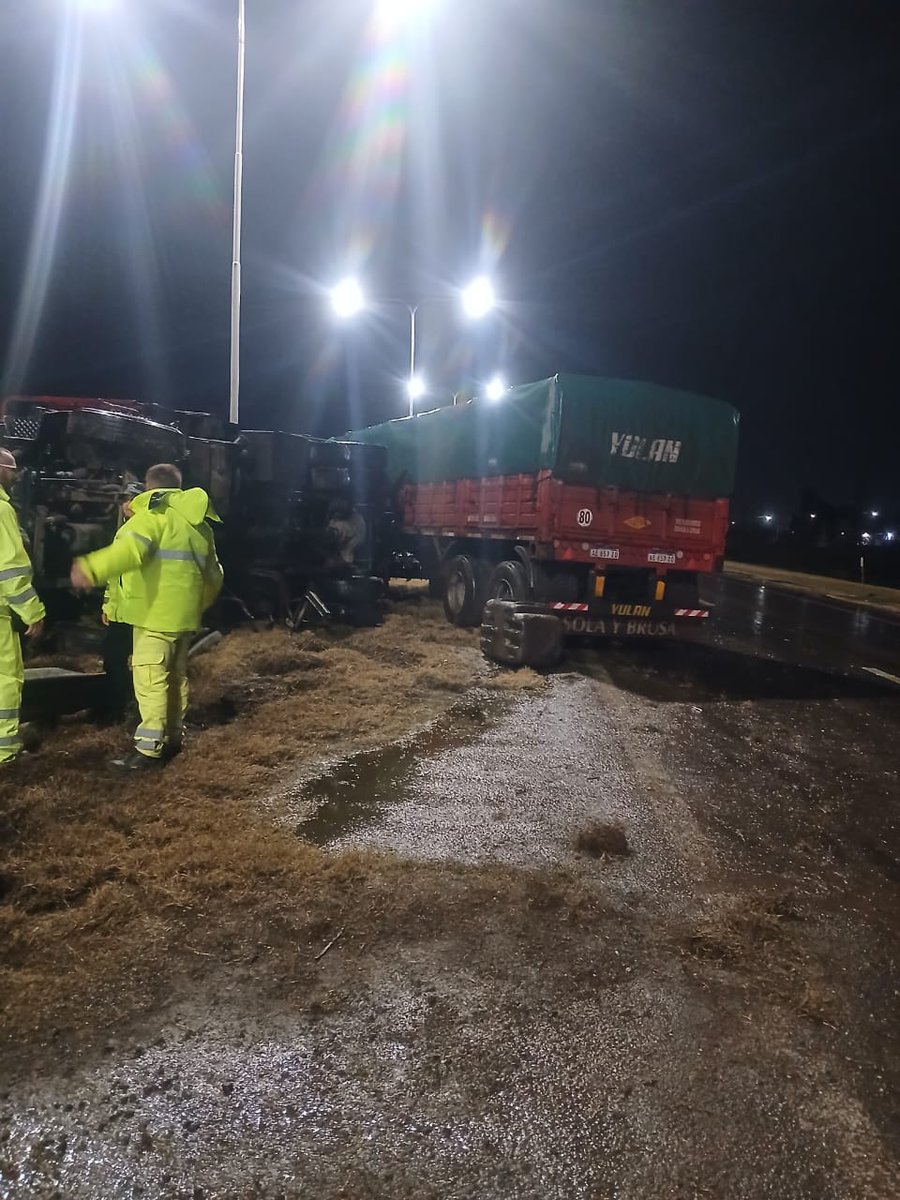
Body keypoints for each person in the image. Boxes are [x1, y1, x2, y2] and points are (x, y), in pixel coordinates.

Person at [70, 463, 223, 770]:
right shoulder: (199, 526)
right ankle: (173, 737)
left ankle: (149, 750)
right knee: (175, 677)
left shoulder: (151, 519)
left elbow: (128, 553)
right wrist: (195, 606)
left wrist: (90, 568)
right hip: (183, 618)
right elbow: (215, 576)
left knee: (151, 678)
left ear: (148, 485)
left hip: (154, 615)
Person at [0, 447, 45, 766]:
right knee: (5, 678)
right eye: (12, 470)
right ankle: (4, 750)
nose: (15, 477)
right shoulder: (2, 510)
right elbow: (10, 570)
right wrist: (33, 612)